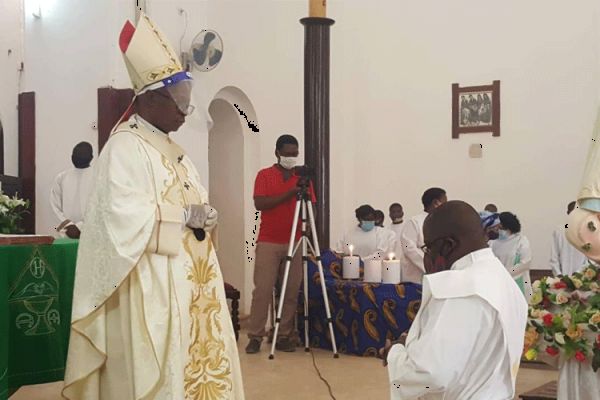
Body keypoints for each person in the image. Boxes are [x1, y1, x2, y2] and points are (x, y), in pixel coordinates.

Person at [62, 13, 244, 399]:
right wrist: (183, 216)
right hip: (151, 285)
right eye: (178, 104)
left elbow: (191, 202)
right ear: (150, 98)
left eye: (187, 104)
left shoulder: (175, 150)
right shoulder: (124, 147)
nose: (183, 113)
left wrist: (205, 214)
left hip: (191, 284)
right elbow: (119, 217)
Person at [381, 201, 528, 399]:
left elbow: (430, 375)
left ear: (448, 245)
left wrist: (396, 352)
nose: (427, 256)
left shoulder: (460, 287)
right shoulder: (504, 281)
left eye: (428, 248)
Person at [246, 134, 316, 354]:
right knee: (263, 290)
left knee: (291, 290)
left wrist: (312, 239)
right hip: (269, 241)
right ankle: (256, 335)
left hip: (295, 241)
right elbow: (260, 203)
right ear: (277, 153)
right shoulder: (265, 175)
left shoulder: (302, 178)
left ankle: (284, 333)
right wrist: (289, 194)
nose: (291, 157)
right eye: (287, 153)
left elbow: (310, 207)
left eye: (294, 154)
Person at [400, 188, 447, 283]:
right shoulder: (414, 222)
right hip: (416, 278)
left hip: (440, 275)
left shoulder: (443, 221)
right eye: (444, 202)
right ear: (436, 203)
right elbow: (408, 247)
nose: (446, 206)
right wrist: (429, 265)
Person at [49, 141, 94, 238]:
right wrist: (68, 225)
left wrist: (80, 227)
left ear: (91, 157)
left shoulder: (99, 177)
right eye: (76, 155)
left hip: (91, 234)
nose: (78, 157)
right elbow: (54, 206)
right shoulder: (61, 177)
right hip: (66, 233)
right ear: (71, 157)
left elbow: (102, 206)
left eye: (82, 155)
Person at [490, 212, 533, 299]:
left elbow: (525, 263)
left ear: (509, 227)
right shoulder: (493, 242)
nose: (498, 230)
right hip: (498, 281)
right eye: (497, 227)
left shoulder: (521, 241)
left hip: (517, 281)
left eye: (501, 227)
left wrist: (506, 273)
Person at [550, 201, 588, 276]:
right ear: (568, 212)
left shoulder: (587, 232)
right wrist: (558, 274)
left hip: (581, 277)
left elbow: (589, 258)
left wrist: (578, 273)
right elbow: (554, 256)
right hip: (562, 278)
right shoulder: (559, 231)